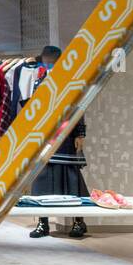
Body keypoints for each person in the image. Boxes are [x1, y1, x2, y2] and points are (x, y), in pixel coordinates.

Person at [28, 45, 88, 239]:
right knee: (42, 178)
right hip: (45, 137)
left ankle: (80, 221)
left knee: (71, 177)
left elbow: (78, 108)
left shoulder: (72, 82)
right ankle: (42, 223)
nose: (48, 64)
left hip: (66, 135)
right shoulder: (39, 82)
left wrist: (80, 133)